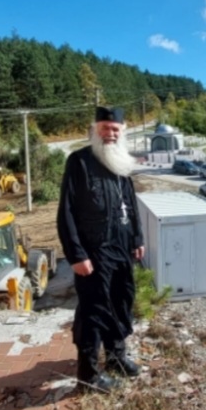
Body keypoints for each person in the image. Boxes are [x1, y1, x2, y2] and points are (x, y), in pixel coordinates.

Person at [57, 106, 145, 393]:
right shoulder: (79, 162)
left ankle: (117, 357)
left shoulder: (121, 165)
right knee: (93, 312)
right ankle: (89, 376)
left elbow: (130, 206)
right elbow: (66, 212)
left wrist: (138, 239)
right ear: (95, 130)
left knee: (121, 303)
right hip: (93, 255)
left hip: (121, 250)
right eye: (105, 128)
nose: (110, 133)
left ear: (123, 131)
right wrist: (76, 254)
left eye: (115, 129)